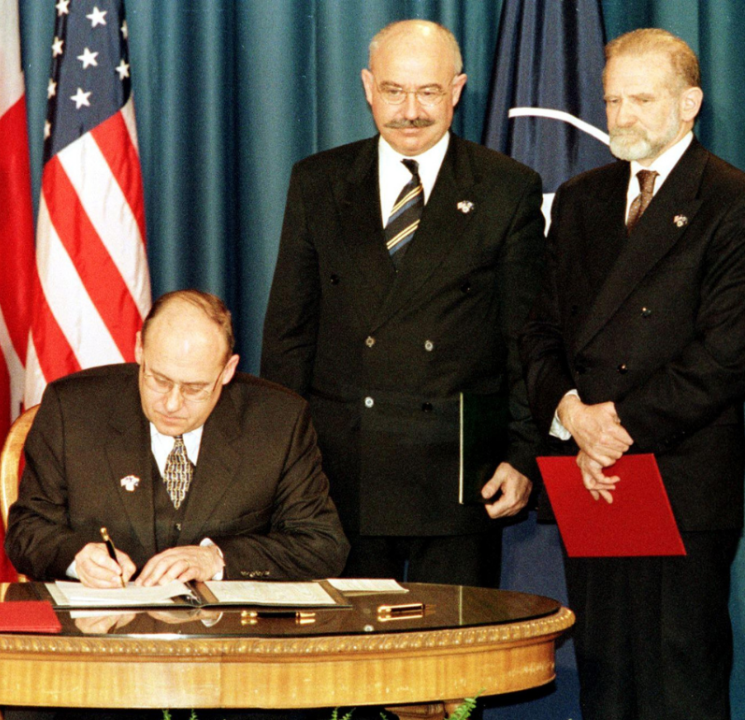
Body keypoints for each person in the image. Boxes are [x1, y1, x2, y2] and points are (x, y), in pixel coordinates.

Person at [260, 19, 544, 587]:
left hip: (461, 471)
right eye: (394, 91)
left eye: (428, 92)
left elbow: (526, 337)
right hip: (343, 470)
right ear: (368, 87)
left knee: (456, 659)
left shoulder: (506, 187)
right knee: (350, 661)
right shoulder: (318, 181)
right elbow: (290, 332)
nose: (410, 110)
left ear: (457, 90)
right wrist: (281, 466)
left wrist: (523, 454)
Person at [520, 28, 744, 720]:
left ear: (691, 104)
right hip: (596, 478)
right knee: (607, 676)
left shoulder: (731, 201)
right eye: (613, 99)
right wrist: (572, 417)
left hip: (678, 477)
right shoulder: (582, 199)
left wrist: (614, 426)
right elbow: (540, 329)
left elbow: (725, 351)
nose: (621, 117)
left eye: (642, 99)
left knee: (680, 678)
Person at [5, 289, 349, 588]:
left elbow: (322, 546)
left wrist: (216, 559)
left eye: (195, 388)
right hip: (102, 641)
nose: (171, 403)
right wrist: (77, 557)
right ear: (139, 348)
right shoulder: (74, 411)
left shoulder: (277, 422)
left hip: (229, 649)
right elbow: (27, 532)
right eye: (159, 380)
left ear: (227, 371)